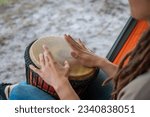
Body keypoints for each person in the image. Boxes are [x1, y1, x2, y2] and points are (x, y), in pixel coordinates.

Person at [0, 0, 150, 100]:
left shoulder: (143, 90)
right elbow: (134, 79)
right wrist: (100, 61)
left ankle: (8, 93)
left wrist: (60, 84)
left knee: (23, 92)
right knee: (95, 77)